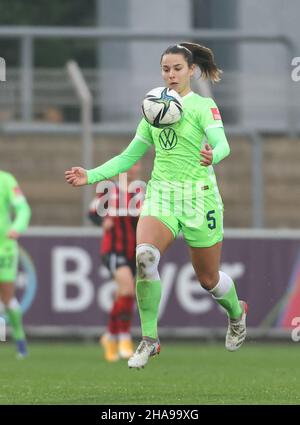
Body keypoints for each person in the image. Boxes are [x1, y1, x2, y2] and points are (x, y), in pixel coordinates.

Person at [65, 42, 248, 369]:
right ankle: (150, 339)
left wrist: (213, 155)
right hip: (161, 195)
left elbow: (223, 143)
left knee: (208, 279)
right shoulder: (153, 108)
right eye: (166, 69)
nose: (171, 74)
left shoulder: (203, 106)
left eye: (177, 68)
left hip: (199, 197)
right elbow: (128, 156)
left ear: (191, 70)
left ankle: (237, 314)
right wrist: (91, 175)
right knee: (145, 256)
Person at [88, 163, 142, 362]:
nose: (133, 169)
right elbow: (92, 212)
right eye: (129, 165)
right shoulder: (109, 191)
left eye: (136, 165)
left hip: (132, 251)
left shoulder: (138, 192)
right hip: (112, 249)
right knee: (127, 290)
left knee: (124, 295)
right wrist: (104, 222)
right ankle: (124, 337)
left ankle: (110, 336)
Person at [0, 170, 31, 358]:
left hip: (4, 247)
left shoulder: (5, 179)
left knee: (6, 296)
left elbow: (23, 208)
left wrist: (16, 227)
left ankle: (19, 339)